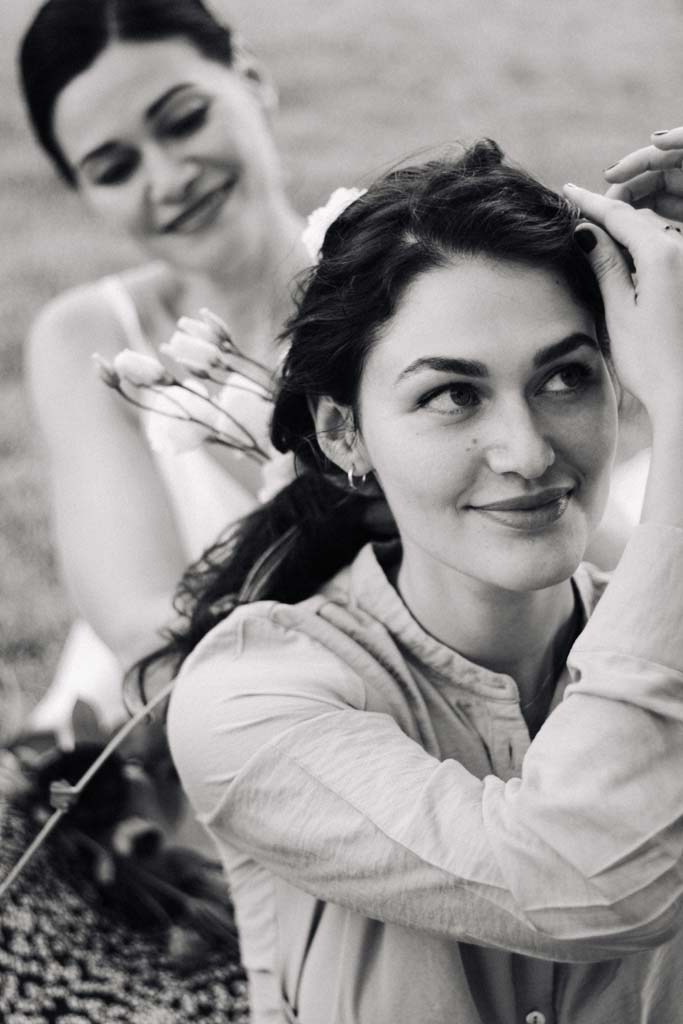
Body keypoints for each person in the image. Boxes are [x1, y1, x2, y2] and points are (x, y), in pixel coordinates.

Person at [149, 140, 683, 1022]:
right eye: (452, 396)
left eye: (566, 377)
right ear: (342, 432)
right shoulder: (248, 697)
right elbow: (582, 877)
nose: (527, 452)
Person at [18, 0, 308, 739]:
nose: (170, 178)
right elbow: (144, 628)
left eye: (183, 121)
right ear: (85, 193)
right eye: (115, 169)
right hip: (177, 724)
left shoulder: (402, 276)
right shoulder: (91, 339)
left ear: (250, 77)